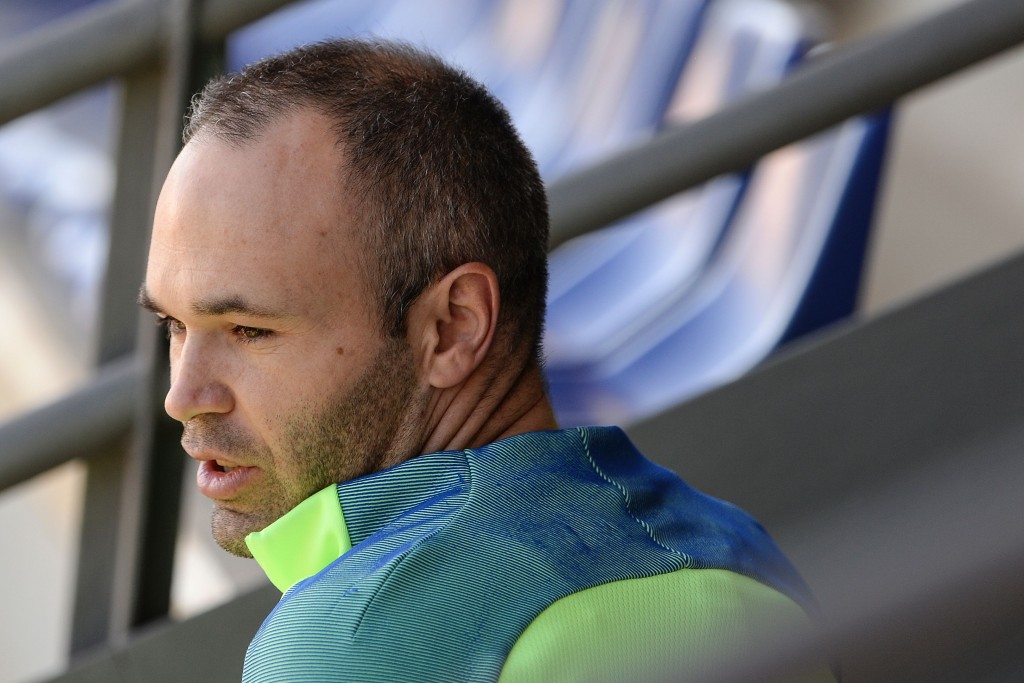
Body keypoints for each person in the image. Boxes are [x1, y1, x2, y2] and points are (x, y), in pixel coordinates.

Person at [141, 38, 834, 682]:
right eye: (174, 324)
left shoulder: (355, 637)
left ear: (451, 327)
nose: (185, 393)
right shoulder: (744, 552)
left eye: (248, 329)